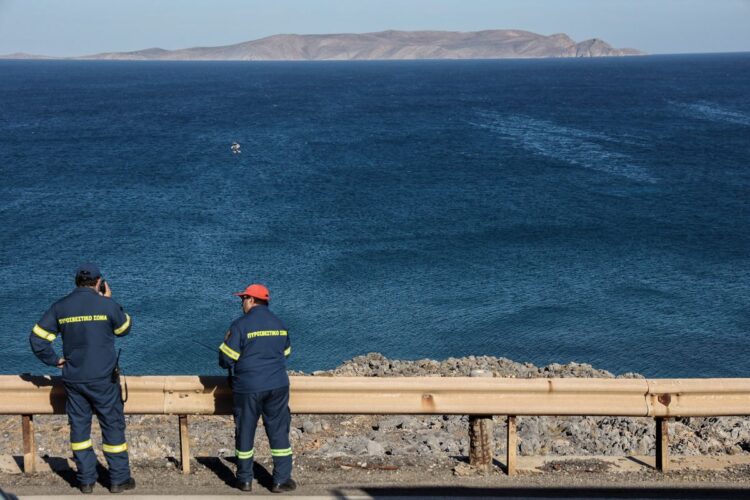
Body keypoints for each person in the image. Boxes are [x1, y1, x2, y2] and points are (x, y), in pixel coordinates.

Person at [29, 263, 135, 494]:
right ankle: (119, 479)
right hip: (103, 379)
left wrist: (55, 360)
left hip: (74, 379)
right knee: (112, 427)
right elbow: (124, 328)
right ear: (99, 282)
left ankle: (86, 481)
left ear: (76, 281)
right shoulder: (106, 305)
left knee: (79, 429)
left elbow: (37, 339)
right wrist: (109, 300)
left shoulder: (61, 307)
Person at [218, 283, 296, 493]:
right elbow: (286, 353)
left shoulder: (240, 326)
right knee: (279, 431)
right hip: (278, 385)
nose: (241, 302)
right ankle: (281, 480)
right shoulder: (280, 324)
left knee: (245, 430)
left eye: (243, 299)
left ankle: (244, 479)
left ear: (252, 300)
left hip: (248, 387)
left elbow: (226, 359)